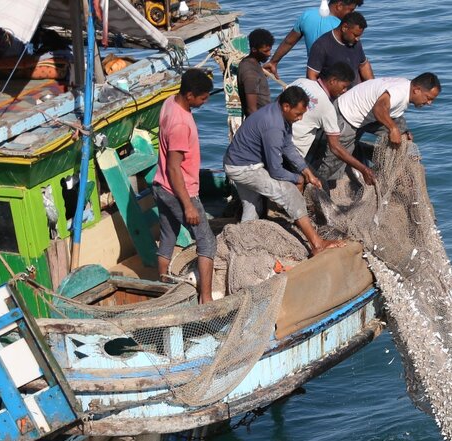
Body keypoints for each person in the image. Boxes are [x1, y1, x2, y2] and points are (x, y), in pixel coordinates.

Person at [223, 86, 343, 256]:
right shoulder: (273, 125)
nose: (300, 119)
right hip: (243, 168)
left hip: (235, 162)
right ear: (286, 106)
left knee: (251, 207)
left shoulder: (280, 114)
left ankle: (242, 249)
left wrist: (306, 170)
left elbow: (288, 146)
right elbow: (276, 170)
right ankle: (317, 244)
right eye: (298, 114)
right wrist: (298, 178)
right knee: (289, 193)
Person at [155, 68, 215, 303]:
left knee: (168, 237)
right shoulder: (181, 124)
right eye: (203, 97)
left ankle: (161, 289)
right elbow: (174, 168)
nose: (206, 101)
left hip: (160, 186)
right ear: (189, 95)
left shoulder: (170, 102)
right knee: (207, 242)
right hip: (178, 190)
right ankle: (206, 298)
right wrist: (188, 205)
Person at [324, 73, 440, 179]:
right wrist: (393, 129)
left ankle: (380, 161)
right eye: (428, 98)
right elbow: (379, 108)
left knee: (402, 132)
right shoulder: (399, 92)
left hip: (368, 116)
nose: (429, 103)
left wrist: (402, 131)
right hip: (346, 115)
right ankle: (316, 185)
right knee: (334, 162)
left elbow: (392, 113)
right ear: (417, 90)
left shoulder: (406, 87)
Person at [287, 63, 376, 185]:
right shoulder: (327, 108)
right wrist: (363, 169)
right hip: (293, 154)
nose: (344, 91)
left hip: (277, 141)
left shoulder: (301, 82)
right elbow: (335, 147)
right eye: (344, 86)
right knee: (323, 189)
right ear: (333, 81)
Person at [262, 0, 362, 78]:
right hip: (336, 82)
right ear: (339, 6)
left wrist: (273, 62)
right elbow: (356, 60)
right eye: (351, 10)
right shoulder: (342, 28)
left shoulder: (307, 15)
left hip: (313, 76)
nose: (352, 15)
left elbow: (289, 42)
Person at [306, 12, 373, 82]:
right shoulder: (321, 46)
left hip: (357, 90)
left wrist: (373, 87)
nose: (357, 39)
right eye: (355, 35)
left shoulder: (355, 42)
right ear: (344, 28)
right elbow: (312, 75)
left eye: (359, 36)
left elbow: (363, 65)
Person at [237, 28, 274, 117]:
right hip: (260, 122)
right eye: (265, 51)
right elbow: (251, 109)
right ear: (254, 49)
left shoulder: (252, 64)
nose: (269, 54)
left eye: (270, 50)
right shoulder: (250, 73)